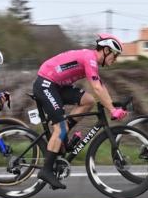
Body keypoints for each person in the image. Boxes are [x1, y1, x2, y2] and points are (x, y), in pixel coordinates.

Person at [33, 33, 128, 189]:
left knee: (88, 101)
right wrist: (112, 109)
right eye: (114, 55)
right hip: (46, 84)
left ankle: (63, 136)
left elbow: (101, 86)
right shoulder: (90, 59)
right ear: (105, 50)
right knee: (60, 127)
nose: (115, 59)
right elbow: (97, 87)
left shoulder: (91, 60)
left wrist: (112, 105)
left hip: (58, 86)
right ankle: (46, 170)